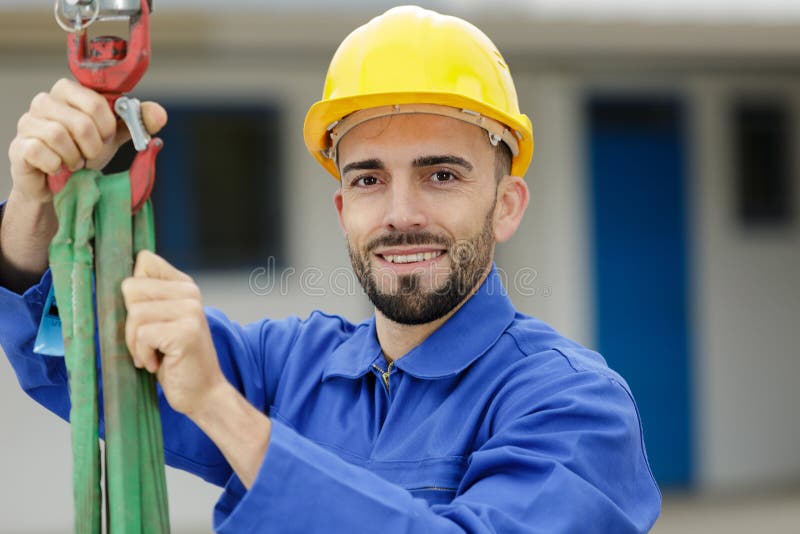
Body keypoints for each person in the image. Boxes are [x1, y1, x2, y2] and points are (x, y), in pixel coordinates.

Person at [0, 5, 661, 533]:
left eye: (440, 174)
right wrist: (36, 211)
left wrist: (225, 413)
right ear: (343, 208)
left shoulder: (573, 407)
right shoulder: (290, 369)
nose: (401, 213)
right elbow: (73, 364)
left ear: (507, 205)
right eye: (370, 179)